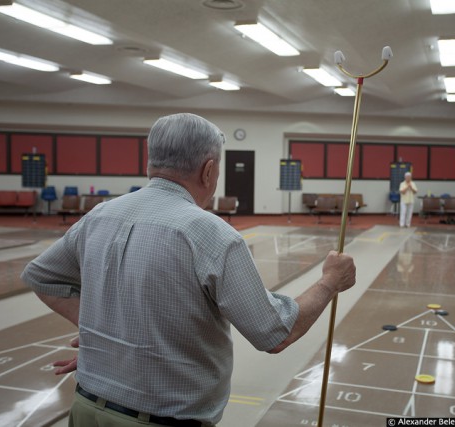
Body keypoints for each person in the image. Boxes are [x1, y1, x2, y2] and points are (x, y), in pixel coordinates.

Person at [21, 113, 356, 427]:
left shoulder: (99, 215)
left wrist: (107, 335)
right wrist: (330, 281)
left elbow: (41, 276)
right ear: (208, 171)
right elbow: (275, 332)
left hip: (84, 411)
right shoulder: (211, 233)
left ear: (150, 162)